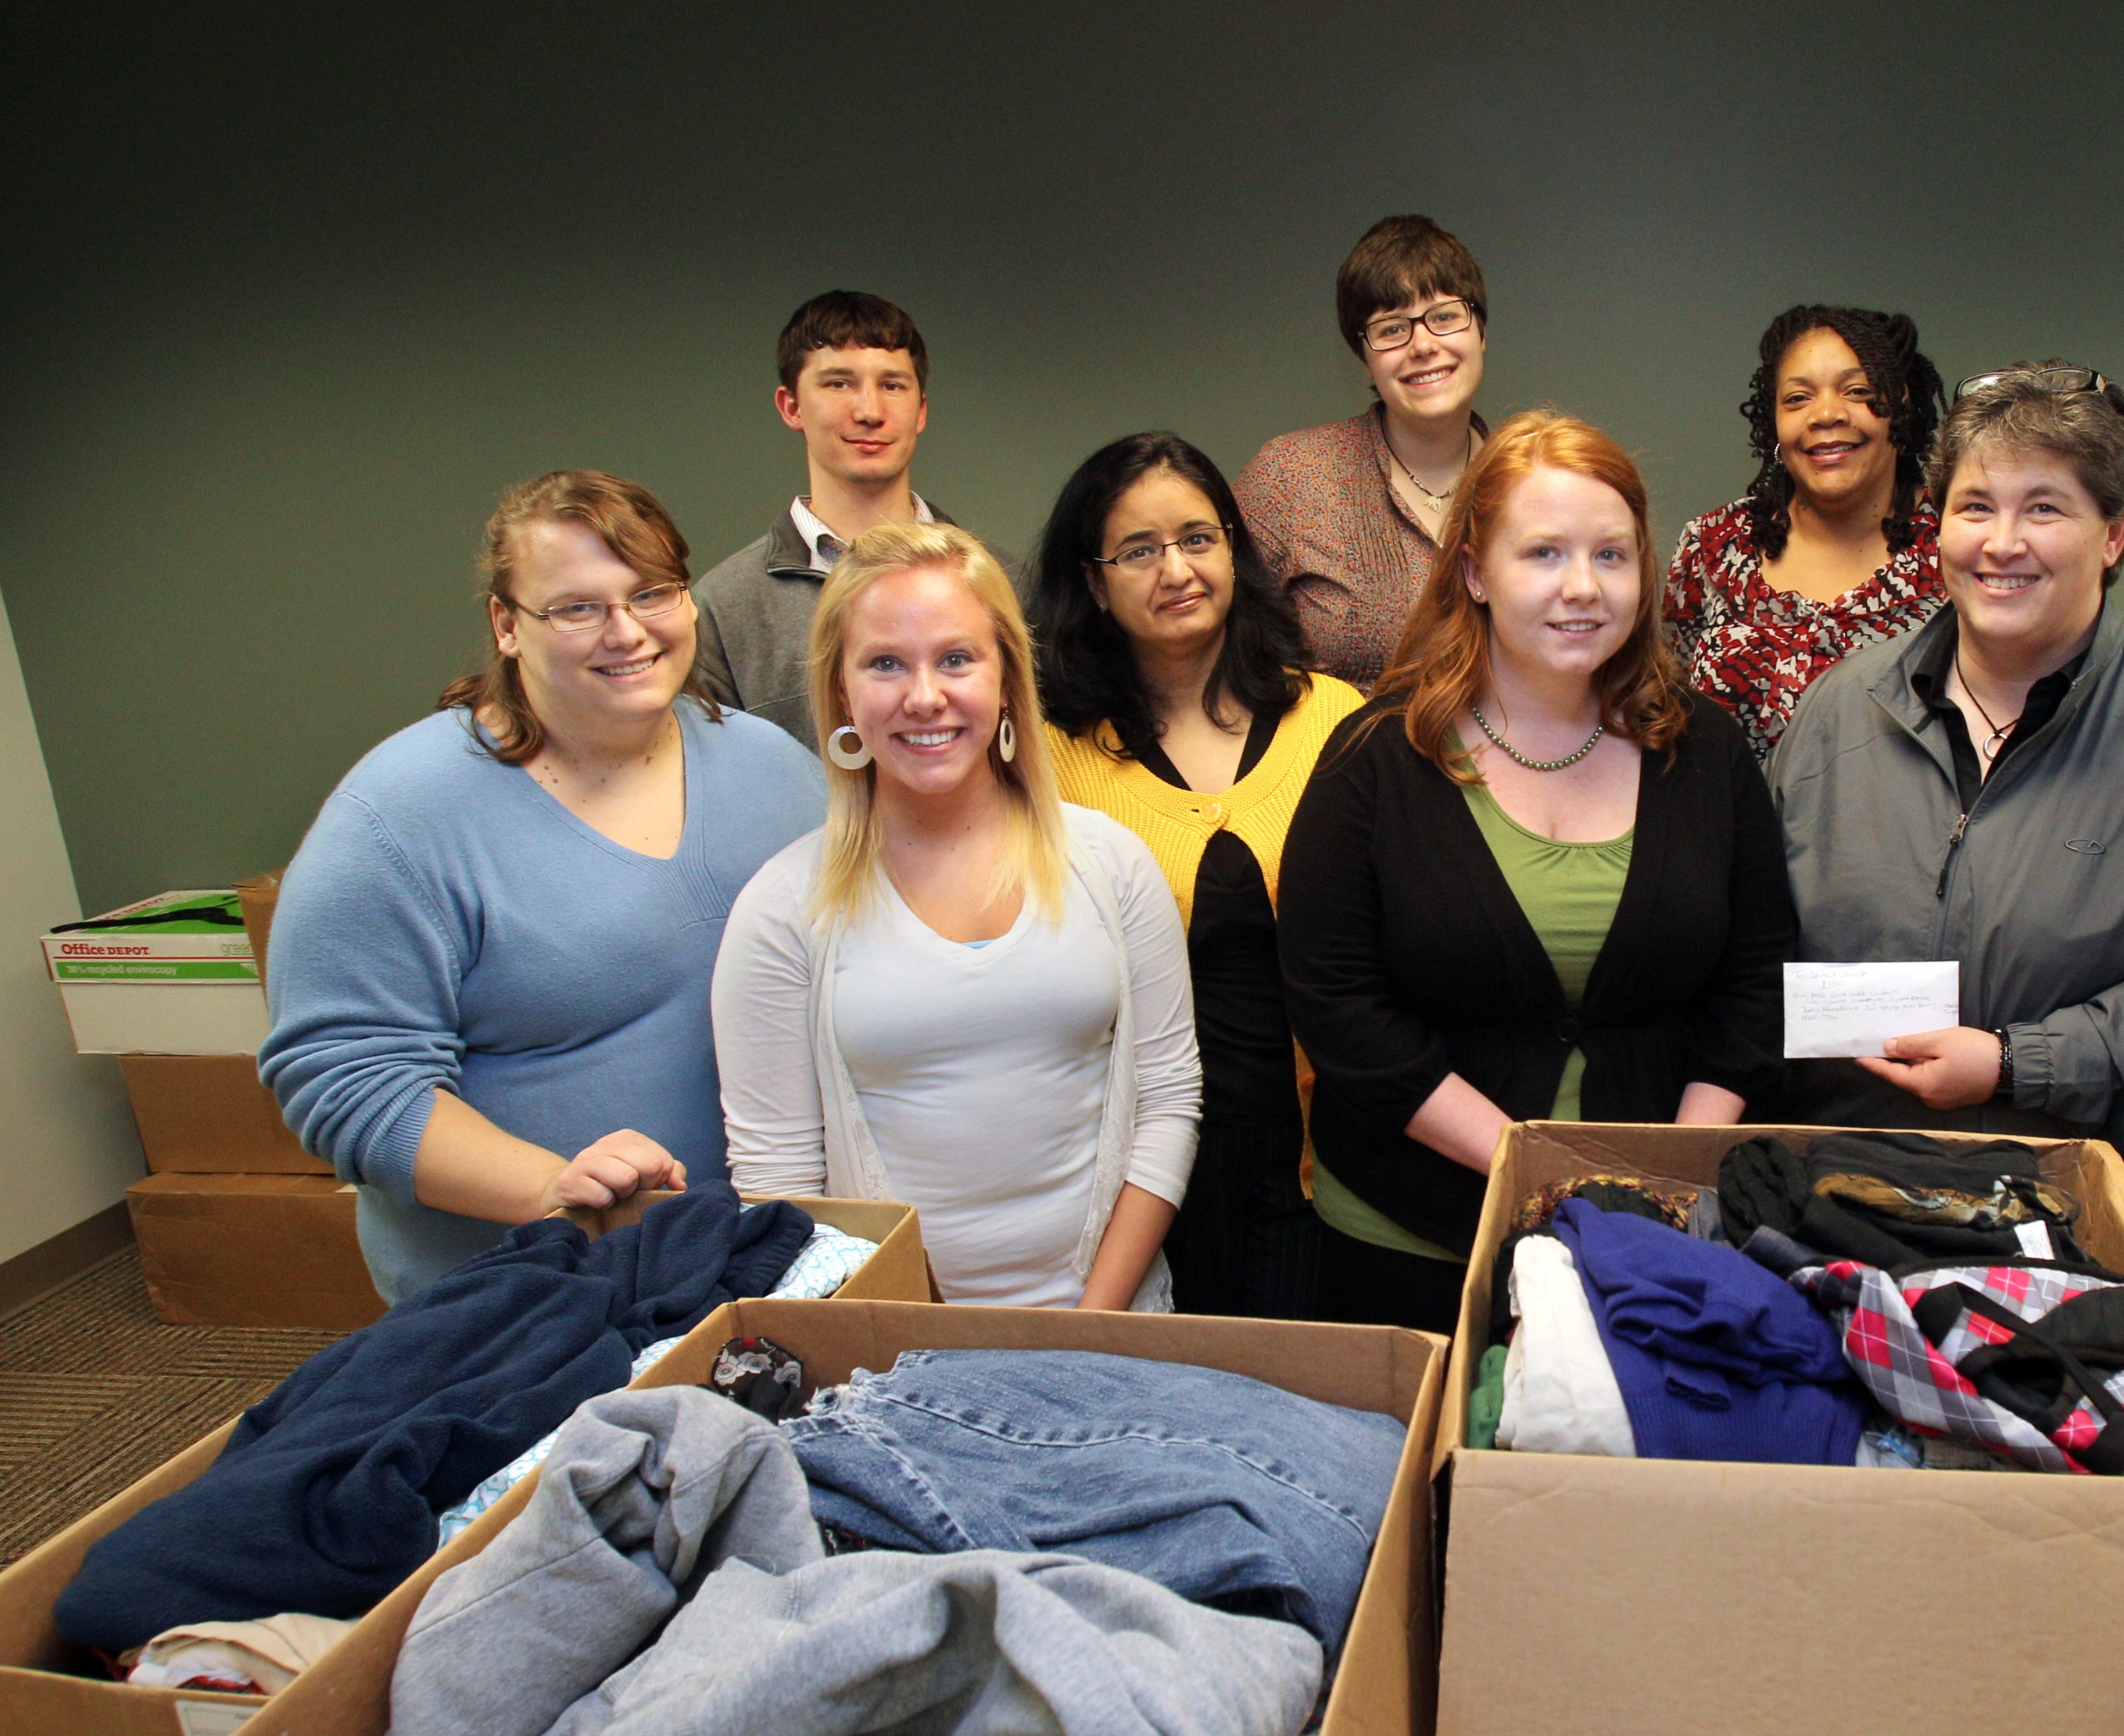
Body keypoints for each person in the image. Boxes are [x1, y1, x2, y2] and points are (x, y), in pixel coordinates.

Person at [1279, 411, 1796, 1333]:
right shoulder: (1374, 757)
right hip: (1413, 1237)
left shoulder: (1706, 751)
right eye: (1544, 554)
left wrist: (1663, 1177)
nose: (1583, 588)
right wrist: (1539, 1166)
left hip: (1657, 1233)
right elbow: (1339, 1007)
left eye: (1611, 555)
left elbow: (1753, 983)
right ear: (1475, 571)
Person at [261, 471, 824, 1302]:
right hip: (528, 1290)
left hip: (754, 1261)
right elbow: (347, 1079)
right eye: (577, 607)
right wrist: (556, 1188)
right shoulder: (401, 813)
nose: (626, 631)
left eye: (650, 593)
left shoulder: (772, 768)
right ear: (506, 625)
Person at [1766, 363, 2124, 1223]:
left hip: (2069, 1225)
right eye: (1976, 506)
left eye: (2044, 508)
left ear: (2116, 534)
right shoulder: (1840, 709)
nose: (2001, 542)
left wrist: (2019, 1063)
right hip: (1837, 1200)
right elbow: (1759, 933)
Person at [711, 521, 1202, 1308]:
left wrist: (1091, 1326)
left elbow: (1169, 1102)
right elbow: (780, 1188)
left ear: (1007, 675)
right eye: (884, 664)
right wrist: (928, 1347)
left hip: (1119, 1330)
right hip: (890, 1363)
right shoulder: (780, 912)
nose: (925, 696)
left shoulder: (1112, 865)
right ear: (841, 690)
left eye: (956, 658)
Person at [1030, 432, 1366, 1319]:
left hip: (1335, 1161)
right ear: (1095, 582)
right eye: (1139, 550)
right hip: (1154, 1178)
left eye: (1197, 537)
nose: (1175, 568)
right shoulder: (1050, 760)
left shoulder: (1336, 721)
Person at [1664, 304, 1947, 757]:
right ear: (1772, 420)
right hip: (1732, 830)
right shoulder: (1714, 546)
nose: (1826, 414)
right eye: (1798, 398)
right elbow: (1666, 715)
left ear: (1903, 406)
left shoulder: (1961, 545)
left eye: (1857, 391)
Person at [1236, 215, 1493, 689]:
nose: (1422, 345)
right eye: (1391, 329)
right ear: (1365, 361)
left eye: (1444, 317)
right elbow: (1213, 646)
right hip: (1342, 760)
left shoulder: (1534, 483)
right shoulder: (1290, 477)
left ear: (1482, 332)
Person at [692, 291, 952, 742]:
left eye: (892, 385)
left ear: (921, 411)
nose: (870, 411)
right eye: (838, 384)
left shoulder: (1003, 581)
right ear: (791, 407)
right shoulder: (723, 607)